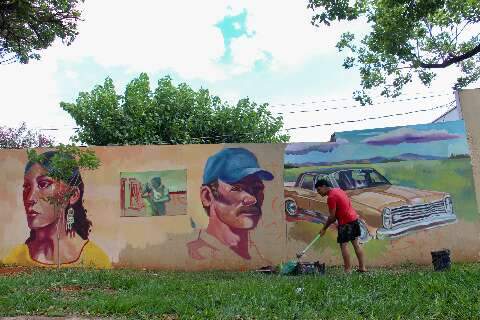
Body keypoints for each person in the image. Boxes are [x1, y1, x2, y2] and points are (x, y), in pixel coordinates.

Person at [3, 151, 111, 268]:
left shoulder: (96, 261)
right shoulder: (14, 260)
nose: (30, 198)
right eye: (26, 187)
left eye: (44, 184)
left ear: (73, 195)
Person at [187, 147, 274, 263]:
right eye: (237, 188)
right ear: (207, 196)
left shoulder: (257, 253)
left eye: (257, 188)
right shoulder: (200, 256)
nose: (252, 199)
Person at [315, 179, 367, 273]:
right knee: (356, 244)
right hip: (354, 219)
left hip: (345, 222)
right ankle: (362, 267)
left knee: (344, 246)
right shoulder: (338, 190)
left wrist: (324, 228)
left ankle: (347, 270)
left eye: (319, 189)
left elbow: (332, 217)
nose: (318, 192)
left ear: (324, 186)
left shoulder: (331, 197)